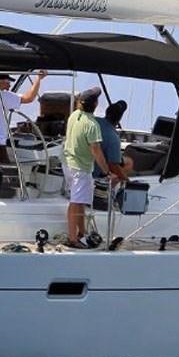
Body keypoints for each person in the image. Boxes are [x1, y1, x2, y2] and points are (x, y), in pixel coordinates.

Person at [63, 87, 112, 247]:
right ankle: (72, 239)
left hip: (69, 163)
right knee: (75, 202)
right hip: (81, 168)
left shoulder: (74, 116)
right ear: (96, 104)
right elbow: (96, 150)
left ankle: (82, 232)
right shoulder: (92, 124)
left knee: (81, 201)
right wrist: (106, 171)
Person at [93, 99, 132, 182]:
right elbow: (113, 165)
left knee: (127, 161)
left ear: (106, 112)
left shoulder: (93, 121)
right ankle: (112, 186)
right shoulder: (113, 138)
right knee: (129, 163)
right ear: (119, 119)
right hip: (94, 173)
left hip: (80, 163)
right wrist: (127, 180)